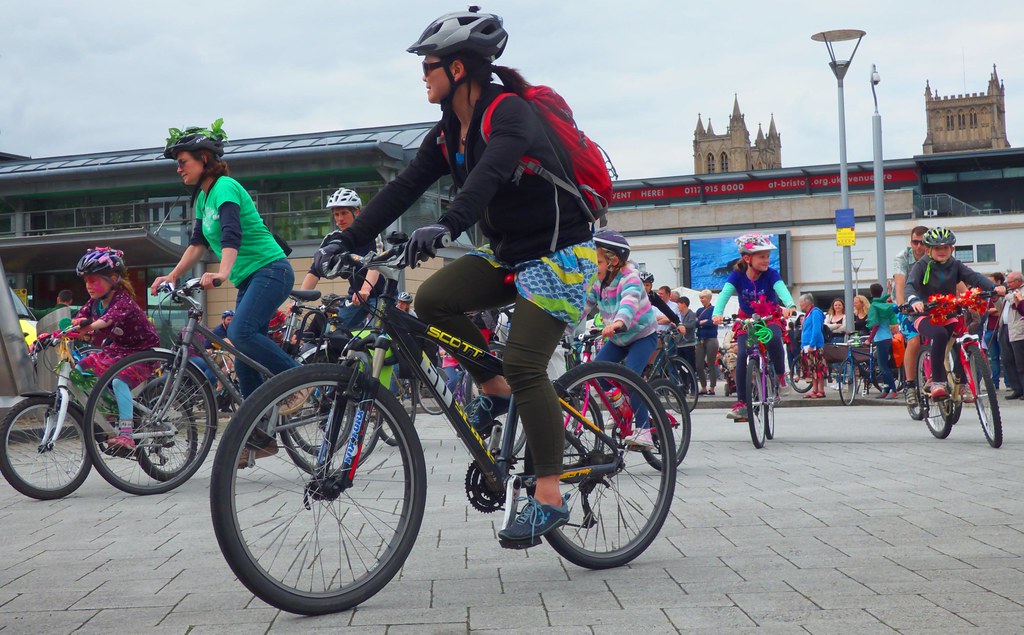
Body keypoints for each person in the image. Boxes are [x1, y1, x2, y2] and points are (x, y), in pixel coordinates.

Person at [312, 8, 596, 547]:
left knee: (527, 364)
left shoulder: (509, 115)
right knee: (434, 300)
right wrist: (346, 240)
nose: (423, 73)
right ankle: (493, 389)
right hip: (512, 256)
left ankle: (550, 497)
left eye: (430, 64)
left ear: (459, 70)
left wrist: (446, 225)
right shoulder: (448, 133)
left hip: (562, 256)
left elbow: (486, 181)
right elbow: (402, 189)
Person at [153, 121, 301, 465]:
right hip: (251, 278)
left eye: (183, 162)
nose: (178, 169)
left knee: (240, 332)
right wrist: (172, 275)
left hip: (271, 269)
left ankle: (298, 381)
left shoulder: (225, 187)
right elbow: (198, 244)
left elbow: (231, 234)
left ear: (205, 159)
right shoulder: (203, 197)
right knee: (244, 358)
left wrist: (222, 272)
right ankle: (260, 438)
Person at [71, 247, 160, 452]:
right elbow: (78, 319)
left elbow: (108, 319)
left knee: (120, 380)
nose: (89, 286)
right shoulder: (94, 302)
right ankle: (107, 413)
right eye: (86, 281)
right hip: (119, 349)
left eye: (94, 280)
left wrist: (90, 326)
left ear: (113, 278)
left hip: (143, 352)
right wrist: (53, 335)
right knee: (79, 370)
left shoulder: (123, 301)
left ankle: (127, 435)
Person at [905, 227, 1005, 401]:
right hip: (924, 314)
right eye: (937, 248)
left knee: (960, 336)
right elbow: (910, 285)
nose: (941, 251)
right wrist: (914, 300)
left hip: (948, 312)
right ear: (929, 250)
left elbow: (974, 277)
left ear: (952, 249)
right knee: (939, 334)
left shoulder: (955, 265)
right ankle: (937, 382)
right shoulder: (921, 265)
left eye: (945, 247)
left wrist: (993, 288)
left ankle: (962, 383)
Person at [584, 231, 659, 449]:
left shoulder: (630, 277)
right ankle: (623, 406)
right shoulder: (597, 282)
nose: (593, 266)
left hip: (642, 335)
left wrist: (618, 323)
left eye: (596, 261)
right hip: (617, 338)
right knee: (598, 374)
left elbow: (629, 301)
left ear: (613, 260)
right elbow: (583, 308)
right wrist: (561, 329)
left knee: (631, 377)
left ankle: (643, 430)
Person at [712, 233, 797, 421]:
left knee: (773, 339)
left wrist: (790, 305)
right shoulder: (737, 275)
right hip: (747, 321)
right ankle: (742, 403)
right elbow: (725, 294)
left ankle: (781, 376)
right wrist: (717, 313)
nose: (767, 260)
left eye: (768, 256)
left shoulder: (771, 274)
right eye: (762, 256)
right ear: (747, 258)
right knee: (742, 355)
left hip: (768, 317)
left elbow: (781, 288)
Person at [300, 188, 383, 330]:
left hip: (381, 295)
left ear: (356, 211)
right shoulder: (332, 239)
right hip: (355, 296)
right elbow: (315, 271)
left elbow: (375, 264)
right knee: (332, 332)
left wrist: (365, 290)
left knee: (381, 336)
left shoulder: (371, 234)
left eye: (344, 213)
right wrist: (299, 300)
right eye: (336, 214)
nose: (340, 218)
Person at [893, 226, 929, 405]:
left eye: (923, 242)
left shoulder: (935, 254)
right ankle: (910, 385)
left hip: (928, 301)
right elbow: (900, 284)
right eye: (916, 242)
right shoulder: (903, 257)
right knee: (914, 340)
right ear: (911, 242)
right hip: (907, 302)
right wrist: (902, 306)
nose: (919, 246)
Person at [866, 283, 898, 399]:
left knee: (883, 366)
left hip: (880, 338)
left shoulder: (874, 306)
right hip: (888, 337)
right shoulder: (883, 303)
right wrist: (889, 292)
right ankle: (886, 389)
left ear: (870, 293)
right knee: (885, 364)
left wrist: (869, 339)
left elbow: (875, 324)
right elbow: (886, 297)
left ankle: (893, 390)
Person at [995, 271, 1024, 399]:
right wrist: (996, 299)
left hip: (1018, 330)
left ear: (1018, 281)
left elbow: (1017, 303)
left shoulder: (1020, 291)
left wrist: (1006, 294)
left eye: (1010, 282)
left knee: (1020, 361)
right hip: (1005, 328)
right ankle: (1016, 388)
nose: (1007, 284)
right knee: (1007, 359)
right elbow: (1001, 309)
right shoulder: (1010, 292)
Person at [798, 293, 827, 399]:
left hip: (814, 345)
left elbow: (816, 329)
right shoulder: (807, 314)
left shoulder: (815, 313)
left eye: (801, 302)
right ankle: (814, 390)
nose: (800, 304)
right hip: (806, 345)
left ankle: (821, 390)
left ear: (807, 302)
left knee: (818, 368)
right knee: (812, 369)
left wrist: (812, 343)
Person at [693, 289, 719, 396]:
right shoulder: (699, 310)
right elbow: (695, 323)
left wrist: (701, 322)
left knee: (711, 364)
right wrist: (702, 322)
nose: (701, 300)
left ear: (708, 298)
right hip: (700, 339)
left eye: (703, 298)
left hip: (711, 339)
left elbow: (712, 322)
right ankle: (703, 387)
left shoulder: (714, 309)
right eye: (700, 298)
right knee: (699, 365)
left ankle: (712, 388)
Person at [984, 272, 1005, 389]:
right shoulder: (988, 296)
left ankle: (1008, 383)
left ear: (998, 282)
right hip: (989, 329)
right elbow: (985, 311)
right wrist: (992, 311)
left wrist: (992, 311)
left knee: (1005, 357)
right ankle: (994, 383)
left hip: (1000, 328)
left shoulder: (1003, 294)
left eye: (991, 281)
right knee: (994, 358)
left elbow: (1001, 311)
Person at [675, 295, 698, 370]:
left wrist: (680, 325)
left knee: (690, 365)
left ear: (684, 304)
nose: (677, 306)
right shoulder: (678, 315)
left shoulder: (691, 314)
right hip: (679, 344)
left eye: (678, 304)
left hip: (688, 344)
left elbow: (691, 325)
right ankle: (683, 381)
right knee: (681, 367)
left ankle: (692, 381)